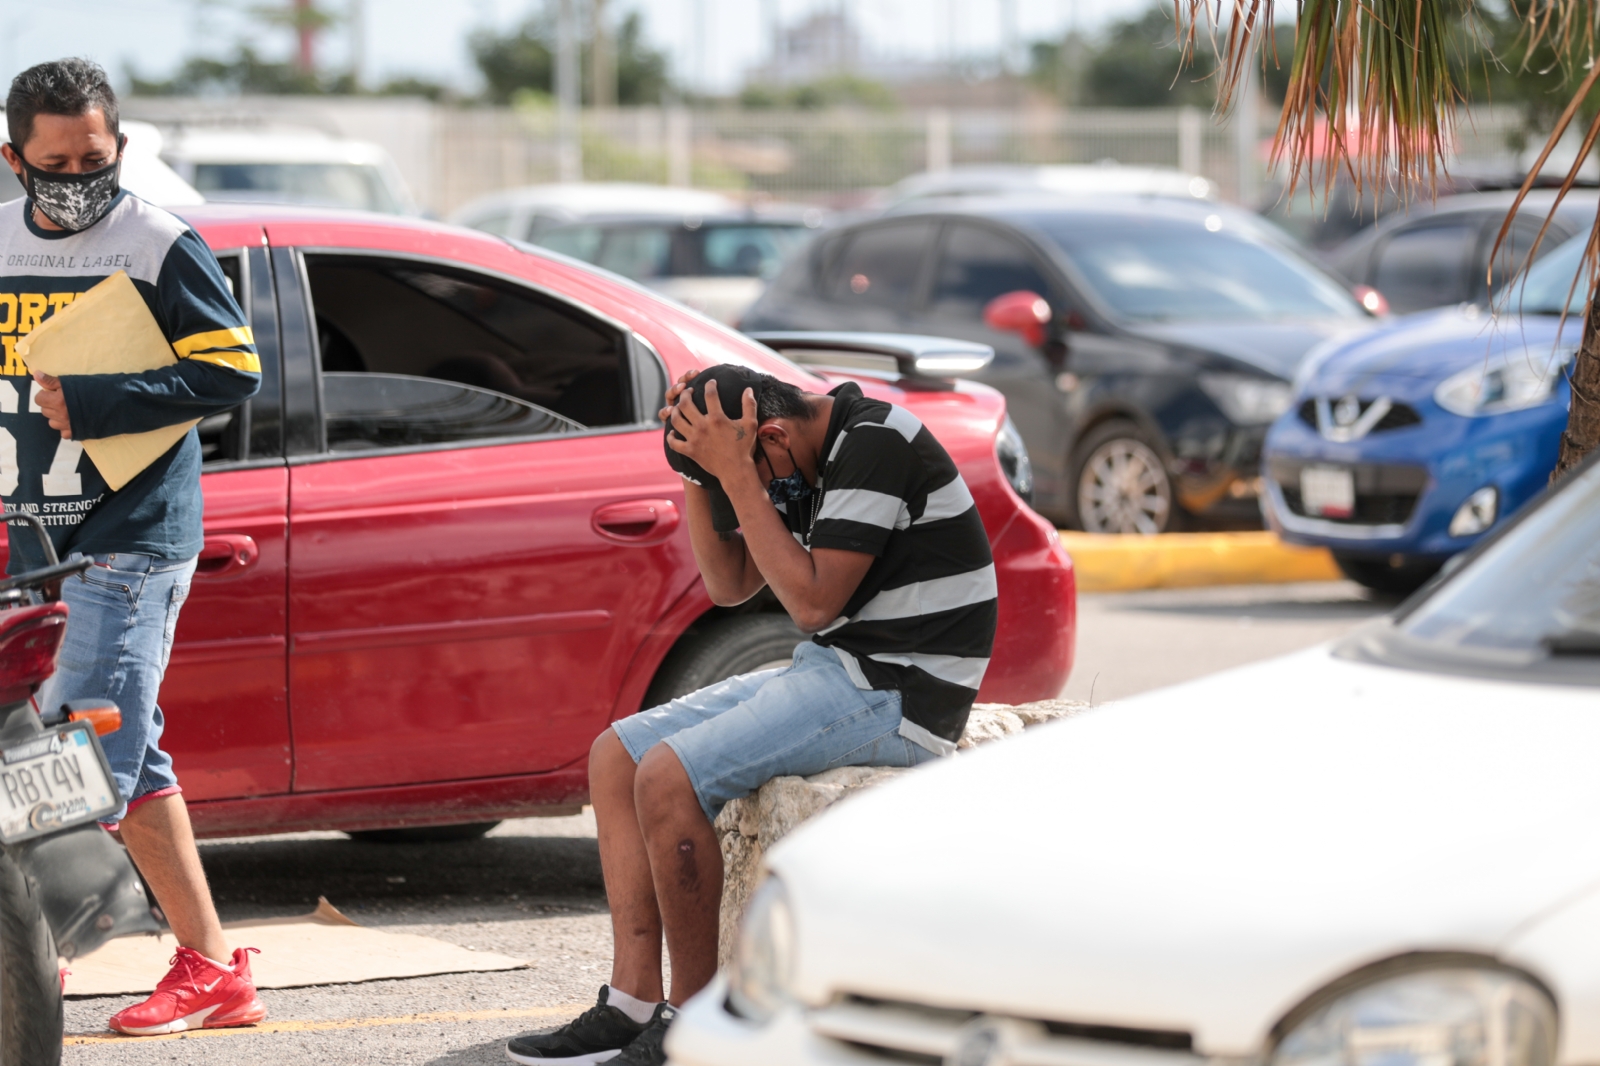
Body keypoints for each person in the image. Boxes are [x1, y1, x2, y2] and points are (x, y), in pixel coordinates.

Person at [506, 364, 998, 1065]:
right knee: (616, 757)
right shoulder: (793, 454)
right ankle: (631, 1003)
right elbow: (731, 583)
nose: (761, 489)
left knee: (667, 778)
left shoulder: (874, 444)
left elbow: (813, 604)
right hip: (842, 670)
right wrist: (702, 469)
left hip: (902, 694)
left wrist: (738, 473)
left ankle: (692, 1026)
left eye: (753, 467)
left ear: (768, 432)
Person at [0, 59, 264, 1035]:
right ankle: (211, 966)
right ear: (12, 158)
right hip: (34, 546)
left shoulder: (157, 242)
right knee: (125, 749)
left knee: (71, 744)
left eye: (95, 156)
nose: (78, 174)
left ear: (121, 146)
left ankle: (31, 958)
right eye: (55, 160)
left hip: (131, 539)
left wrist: (105, 401)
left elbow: (234, 368)